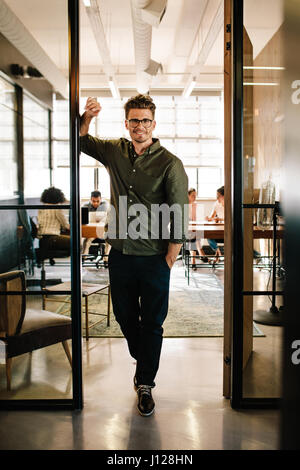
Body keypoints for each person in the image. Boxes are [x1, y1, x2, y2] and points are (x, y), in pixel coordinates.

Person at [80, 94, 188, 417]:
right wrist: (86, 117)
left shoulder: (170, 163)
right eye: (134, 120)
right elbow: (81, 141)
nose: (139, 126)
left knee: (152, 322)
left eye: (145, 120)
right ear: (126, 123)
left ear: (154, 124)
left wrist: (171, 255)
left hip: (155, 257)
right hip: (122, 254)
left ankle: (145, 384)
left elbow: (179, 211)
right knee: (126, 317)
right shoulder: (114, 150)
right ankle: (144, 358)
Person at [37, 187, 70, 262]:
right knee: (77, 243)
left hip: (42, 240)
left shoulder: (41, 208)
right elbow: (66, 225)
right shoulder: (57, 208)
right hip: (52, 239)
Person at [82, 190, 109, 256]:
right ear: (90, 200)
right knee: (87, 240)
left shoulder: (105, 205)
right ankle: (84, 257)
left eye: (98, 201)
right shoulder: (86, 206)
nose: (96, 203)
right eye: (93, 201)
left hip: (103, 231)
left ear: (101, 199)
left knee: (109, 239)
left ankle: (106, 257)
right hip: (91, 231)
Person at [188, 188, 208, 269]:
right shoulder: (184, 205)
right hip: (186, 228)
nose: (194, 197)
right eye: (192, 196)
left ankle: (199, 255)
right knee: (193, 236)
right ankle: (195, 258)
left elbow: (196, 218)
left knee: (196, 234)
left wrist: (204, 218)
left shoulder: (194, 205)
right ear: (188, 196)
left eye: (195, 196)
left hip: (193, 226)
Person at [205, 186, 224, 262]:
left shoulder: (230, 203)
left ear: (224, 196)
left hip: (229, 230)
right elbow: (211, 216)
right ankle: (218, 252)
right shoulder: (216, 204)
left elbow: (232, 219)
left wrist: (219, 219)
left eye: (218, 196)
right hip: (220, 229)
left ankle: (257, 256)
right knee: (209, 236)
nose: (217, 198)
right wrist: (209, 218)